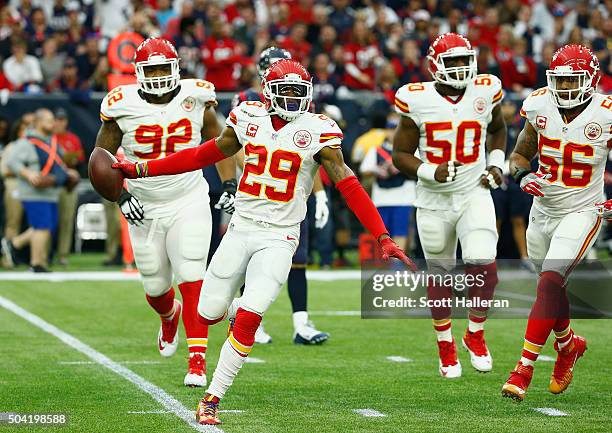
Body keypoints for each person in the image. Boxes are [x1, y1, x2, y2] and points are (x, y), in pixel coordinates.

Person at [113, 59, 414, 425]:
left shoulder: (318, 131)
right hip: (240, 228)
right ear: (269, 92)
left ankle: (212, 398)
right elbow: (201, 154)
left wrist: (381, 235)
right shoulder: (247, 117)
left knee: (252, 317)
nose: (291, 98)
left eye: (298, 92)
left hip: (280, 236)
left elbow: (348, 183)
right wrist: (143, 168)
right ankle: (233, 309)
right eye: (285, 91)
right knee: (207, 313)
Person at [93, 38, 236, 388]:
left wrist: (230, 184)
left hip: (188, 196)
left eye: (163, 68)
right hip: (144, 205)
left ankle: (198, 361)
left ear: (176, 69)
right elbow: (101, 157)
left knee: (191, 272)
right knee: (156, 285)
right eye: (151, 69)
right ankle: (169, 316)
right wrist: (121, 197)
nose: (157, 75)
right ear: (139, 73)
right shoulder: (120, 104)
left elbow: (221, 143)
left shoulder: (197, 95)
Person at [393, 33, 507, 378]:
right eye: (452, 61)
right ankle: (445, 343)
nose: (460, 68)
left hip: (474, 191)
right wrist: (431, 171)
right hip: (433, 200)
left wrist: (496, 164)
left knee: (483, 261)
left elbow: (499, 129)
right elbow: (400, 154)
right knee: (440, 272)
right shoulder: (416, 99)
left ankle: (475, 333)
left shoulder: (486, 90)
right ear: (435, 65)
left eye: (464, 60)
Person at [501, 44, 612, 401]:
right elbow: (519, 154)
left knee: (549, 283)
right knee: (553, 287)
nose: (564, 90)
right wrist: (521, 176)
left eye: (572, 82)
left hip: (583, 209)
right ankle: (568, 345)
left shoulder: (606, 113)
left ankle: (524, 368)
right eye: (559, 82)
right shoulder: (538, 104)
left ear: (591, 79)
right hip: (542, 210)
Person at [231, 46, 331, 345]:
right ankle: (249, 320)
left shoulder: (300, 108)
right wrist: (257, 172)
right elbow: (232, 146)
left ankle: (301, 323)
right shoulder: (248, 104)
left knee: (297, 259)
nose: (286, 82)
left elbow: (307, 158)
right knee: (251, 258)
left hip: (291, 195)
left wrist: (321, 194)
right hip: (257, 194)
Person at [4, 109, 79, 272]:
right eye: (49, 120)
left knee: (46, 227)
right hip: (34, 192)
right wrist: (28, 173)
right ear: (38, 122)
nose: (53, 123)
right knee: (42, 227)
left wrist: (67, 172)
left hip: (51, 192)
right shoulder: (27, 142)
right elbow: (12, 162)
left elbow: (58, 165)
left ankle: (14, 244)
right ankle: (36, 263)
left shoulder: (52, 142)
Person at [360, 115, 416, 253]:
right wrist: (380, 169)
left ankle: (397, 263)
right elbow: (364, 169)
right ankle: (384, 262)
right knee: (383, 233)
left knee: (401, 230)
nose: (393, 133)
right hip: (382, 197)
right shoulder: (377, 150)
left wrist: (400, 167)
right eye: (391, 129)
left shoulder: (411, 149)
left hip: (404, 196)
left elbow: (418, 168)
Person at [54, 108, 84, 266]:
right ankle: (45, 253)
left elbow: (80, 159)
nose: (60, 123)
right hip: (51, 184)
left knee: (66, 220)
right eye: (57, 119)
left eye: (63, 120)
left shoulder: (72, 139)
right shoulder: (49, 137)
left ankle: (63, 254)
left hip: (68, 185)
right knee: (50, 221)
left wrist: (72, 162)